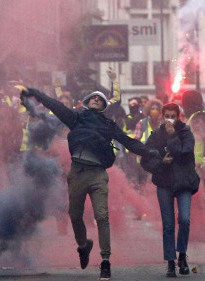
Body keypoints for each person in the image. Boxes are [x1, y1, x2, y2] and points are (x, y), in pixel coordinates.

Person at [20, 87, 157, 280]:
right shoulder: (76, 118)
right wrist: (36, 93)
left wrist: (150, 152)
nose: (95, 99)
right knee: (75, 215)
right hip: (77, 173)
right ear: (87, 102)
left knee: (102, 216)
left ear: (103, 106)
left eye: (99, 99)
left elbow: (129, 142)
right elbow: (54, 104)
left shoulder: (108, 124)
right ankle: (83, 246)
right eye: (92, 97)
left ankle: (105, 262)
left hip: (98, 175)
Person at [140, 103, 199, 277]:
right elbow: (146, 160)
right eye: (167, 116)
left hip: (183, 183)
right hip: (164, 183)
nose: (170, 119)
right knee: (168, 225)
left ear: (178, 116)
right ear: (162, 116)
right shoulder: (156, 135)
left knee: (185, 219)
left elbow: (184, 153)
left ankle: (182, 255)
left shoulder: (186, 133)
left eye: (173, 116)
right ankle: (171, 262)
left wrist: (173, 136)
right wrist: (160, 163)